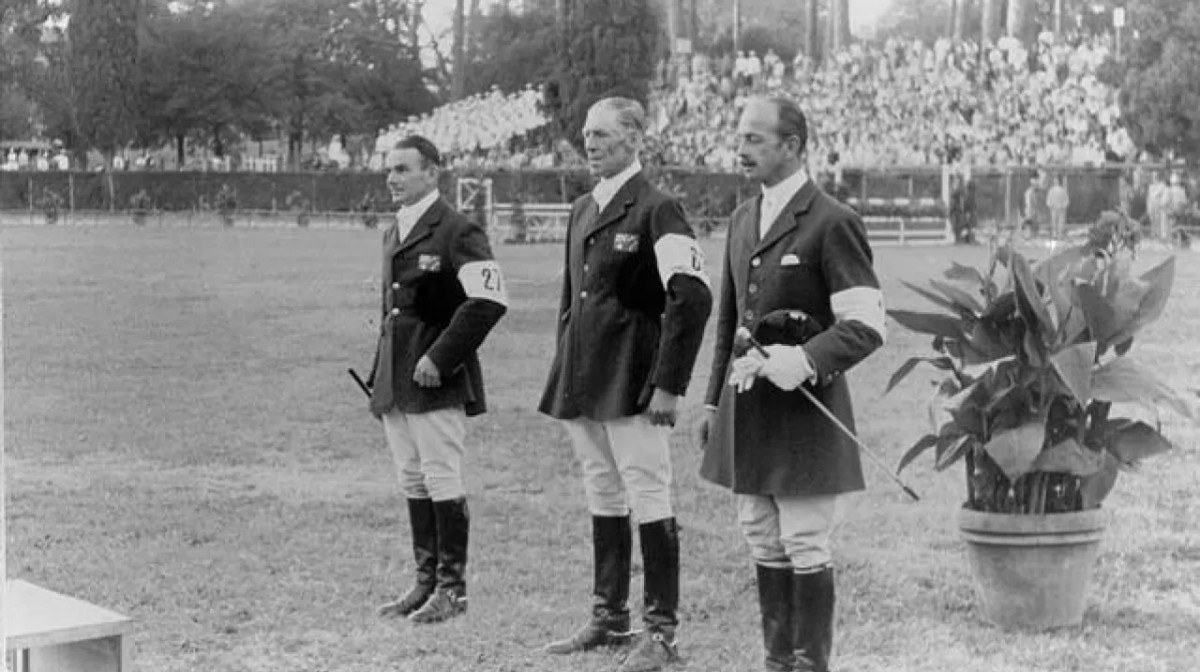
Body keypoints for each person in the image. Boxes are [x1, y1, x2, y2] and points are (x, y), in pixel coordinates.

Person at [697, 96, 886, 672]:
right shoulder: (741, 219)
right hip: (748, 409)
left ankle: (809, 664)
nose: (741, 148)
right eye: (740, 137)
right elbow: (729, 322)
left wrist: (804, 358)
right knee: (759, 532)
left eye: (755, 138)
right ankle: (777, 661)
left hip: (805, 409)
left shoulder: (832, 221)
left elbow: (866, 325)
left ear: (793, 146)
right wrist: (711, 400)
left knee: (805, 538)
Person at [539, 97, 713, 672]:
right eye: (587, 134)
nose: (590, 143)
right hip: (585, 375)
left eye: (604, 134)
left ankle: (661, 631)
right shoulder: (584, 207)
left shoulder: (659, 209)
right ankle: (609, 615)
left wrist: (668, 385)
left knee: (648, 491)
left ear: (636, 138)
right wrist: (566, 365)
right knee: (601, 489)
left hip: (633, 377)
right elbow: (572, 301)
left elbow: (691, 295)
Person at [367, 135, 508, 624]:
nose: (392, 178)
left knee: (441, 474)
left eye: (403, 170)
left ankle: (453, 588)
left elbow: (488, 301)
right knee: (411, 477)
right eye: (390, 170)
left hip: (435, 377)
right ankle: (425, 581)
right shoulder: (394, 230)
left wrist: (441, 356)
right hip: (396, 376)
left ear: (432, 173)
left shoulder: (457, 228)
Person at [1046, 175, 1069, 240]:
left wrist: (1063, 206)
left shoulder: (1062, 190)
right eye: (1055, 180)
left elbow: (1066, 201)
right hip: (1055, 209)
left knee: (1059, 222)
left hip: (1059, 209)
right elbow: (1048, 200)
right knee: (1055, 222)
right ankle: (1056, 235)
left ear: (1058, 181)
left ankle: (1059, 235)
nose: (1055, 181)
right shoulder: (1052, 190)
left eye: (1056, 180)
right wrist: (1051, 206)